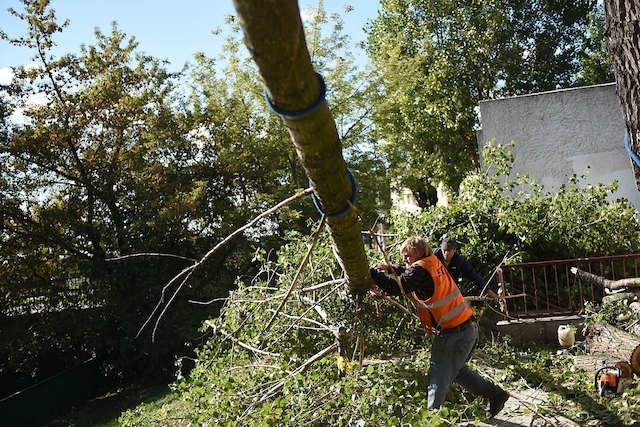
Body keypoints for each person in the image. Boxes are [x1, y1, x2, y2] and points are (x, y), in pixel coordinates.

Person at [369, 236, 509, 416]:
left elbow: (399, 285)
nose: (404, 259)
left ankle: (432, 418)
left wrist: (373, 274)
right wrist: (391, 269)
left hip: (454, 332)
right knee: (457, 372)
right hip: (467, 329)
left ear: (418, 254)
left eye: (407, 255)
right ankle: (497, 395)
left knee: (437, 375)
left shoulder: (420, 270)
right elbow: (407, 273)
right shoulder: (431, 262)